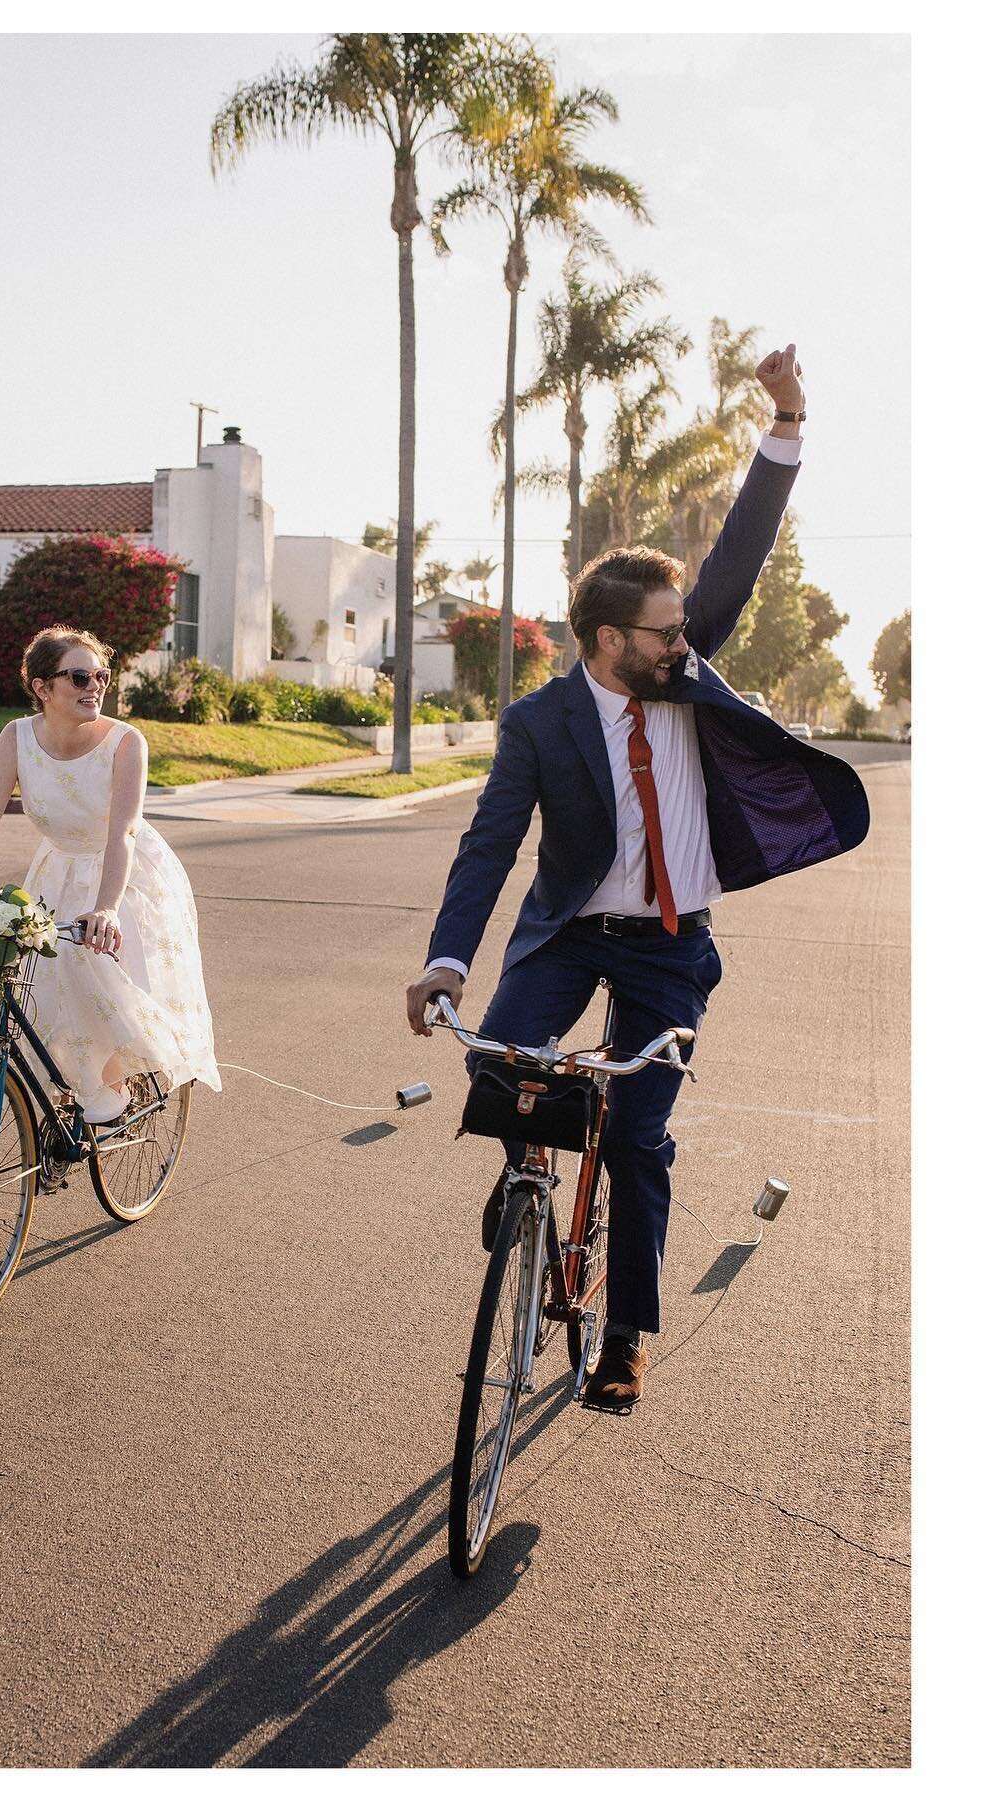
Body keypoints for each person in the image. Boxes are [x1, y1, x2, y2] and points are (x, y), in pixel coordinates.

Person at [406, 344, 868, 1412]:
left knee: (640, 1139)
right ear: (609, 639)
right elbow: (487, 847)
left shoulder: (681, 672)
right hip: (568, 932)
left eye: (682, 630)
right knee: (499, 1075)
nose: (685, 644)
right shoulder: (538, 723)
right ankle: (525, 1179)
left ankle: (623, 1336)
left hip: (669, 944)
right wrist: (444, 961)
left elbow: (738, 560)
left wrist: (787, 423)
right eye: (664, 633)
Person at [0, 625, 220, 1122]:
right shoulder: (16, 738)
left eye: (102, 675)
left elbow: (124, 831)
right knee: (37, 980)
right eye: (80, 676)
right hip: (57, 870)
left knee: (92, 972)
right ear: (42, 688)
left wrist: (107, 907)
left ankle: (110, 1091)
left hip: (123, 873)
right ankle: (60, 1087)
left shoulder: (126, 742)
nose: (95, 687)